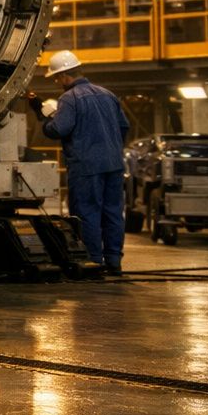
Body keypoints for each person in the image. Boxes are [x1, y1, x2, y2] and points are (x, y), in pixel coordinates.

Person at [30, 49, 130, 275]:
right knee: (113, 212)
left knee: (88, 213)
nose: (57, 82)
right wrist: (111, 147)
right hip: (114, 164)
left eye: (56, 78)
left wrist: (44, 119)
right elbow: (124, 127)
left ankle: (93, 261)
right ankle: (114, 261)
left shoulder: (69, 98)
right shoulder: (108, 94)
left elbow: (59, 129)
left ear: (64, 76)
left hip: (86, 167)